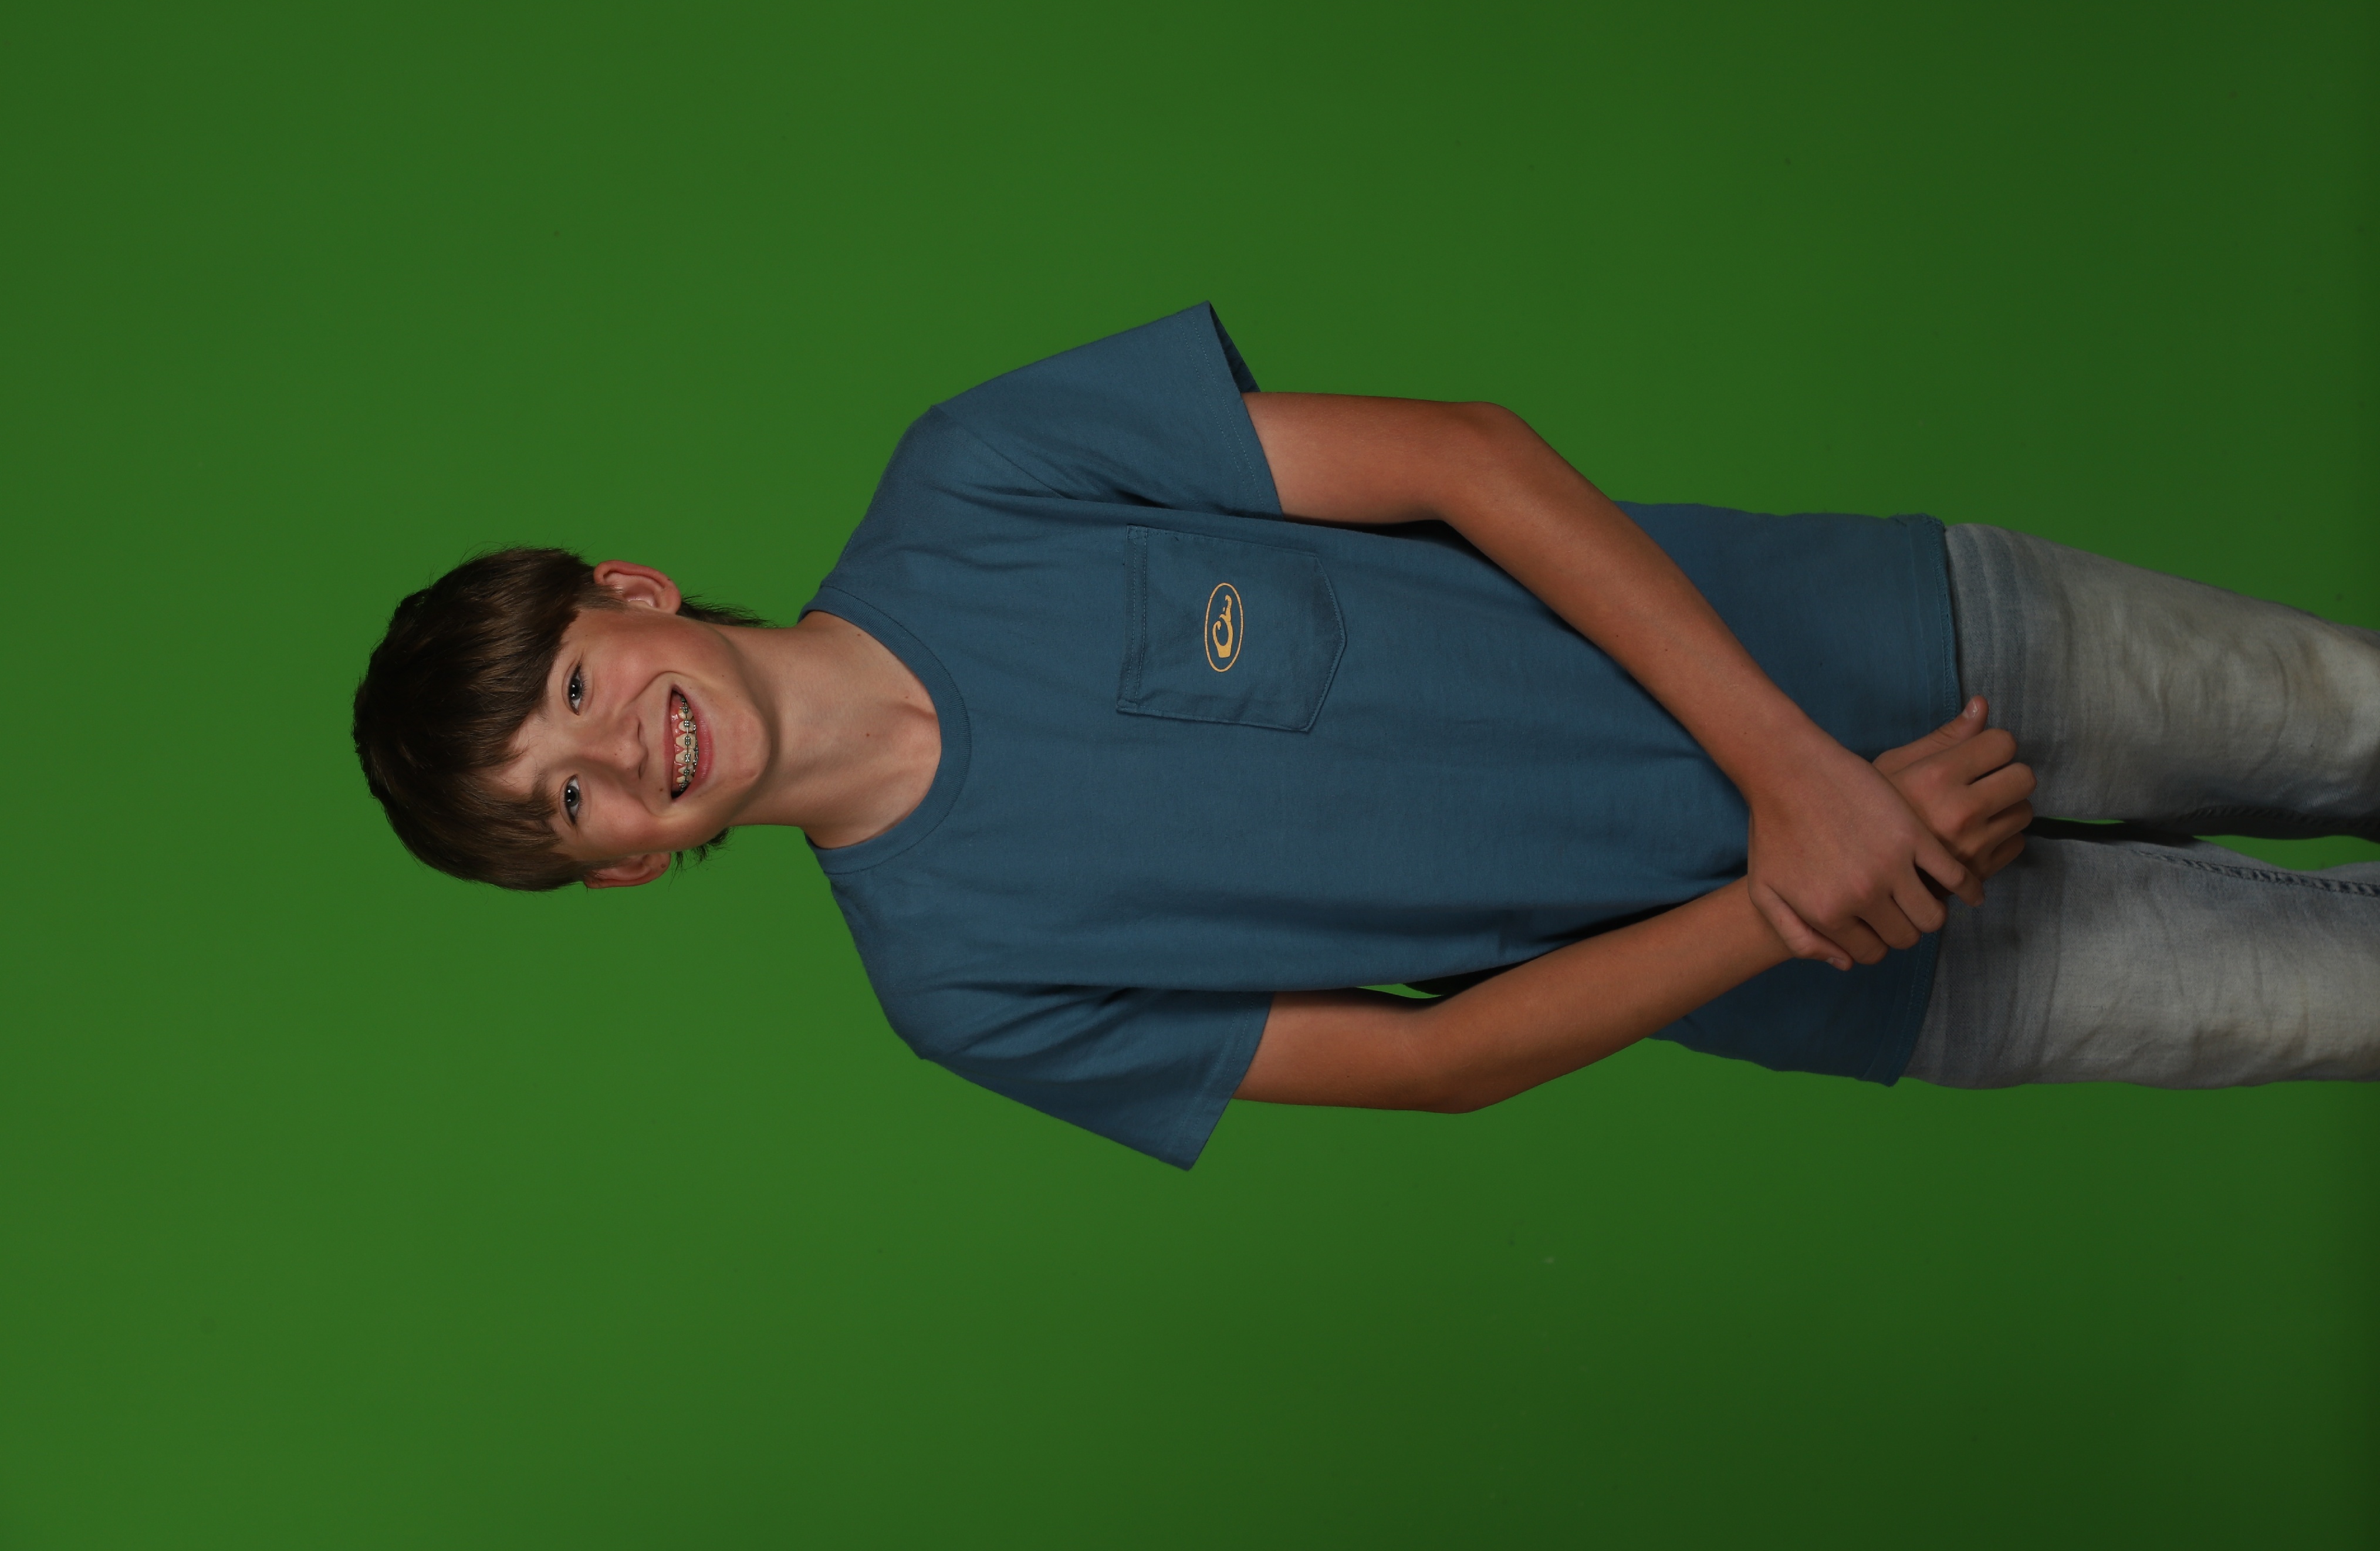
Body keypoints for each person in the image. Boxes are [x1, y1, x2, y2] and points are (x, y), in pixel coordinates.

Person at [352, 305, 2380, 1167]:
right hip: (1872, 963)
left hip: (1914, 642)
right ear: (622, 863)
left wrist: (1796, 776)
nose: (611, 754)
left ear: (629, 594)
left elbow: (1463, 462)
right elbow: (1426, 1063)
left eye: (572, 693)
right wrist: (1790, 896)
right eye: (567, 803)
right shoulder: (959, 986)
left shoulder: (978, 477)